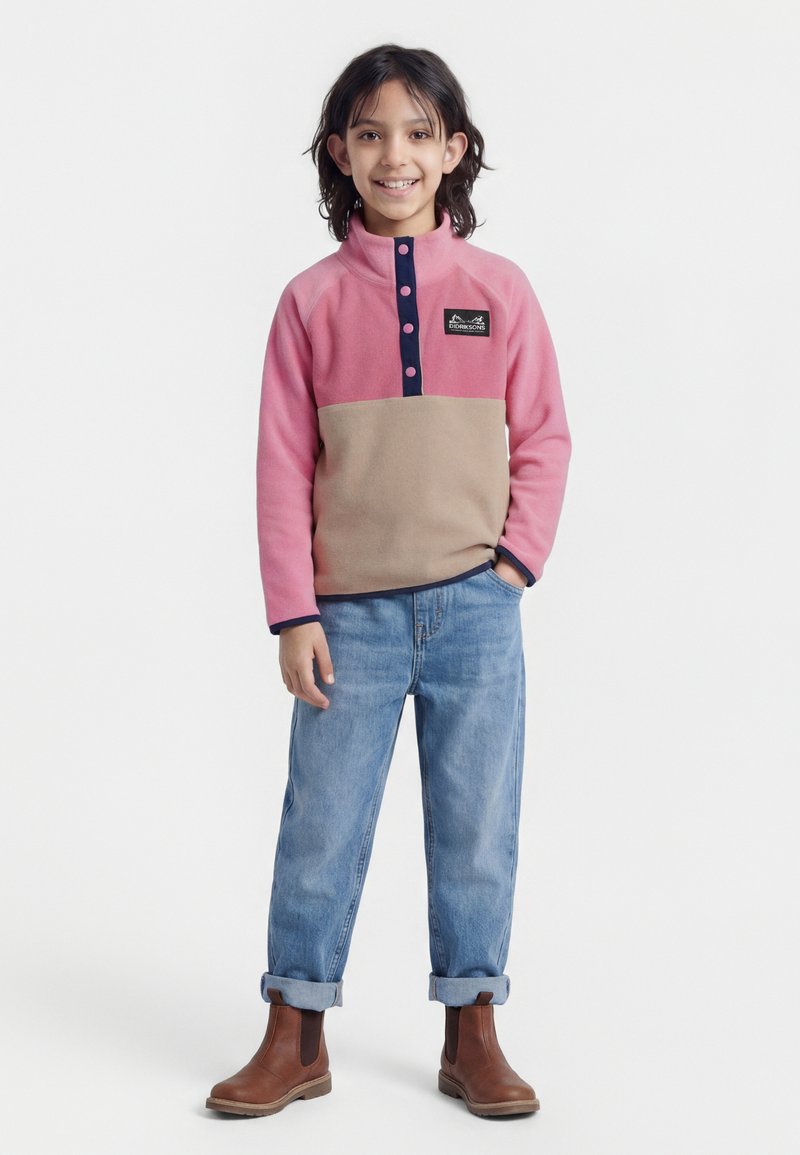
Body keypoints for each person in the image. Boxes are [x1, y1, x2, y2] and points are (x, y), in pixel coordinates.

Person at [206, 42, 571, 1120]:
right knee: (320, 825)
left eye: (417, 132)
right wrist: (293, 612)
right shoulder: (309, 303)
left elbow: (544, 436)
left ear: (454, 149)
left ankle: (472, 1029)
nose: (394, 154)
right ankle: (296, 1031)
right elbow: (282, 465)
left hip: (475, 609)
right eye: (369, 134)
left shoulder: (500, 291)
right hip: (347, 620)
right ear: (339, 152)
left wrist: (513, 565)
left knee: (476, 826)